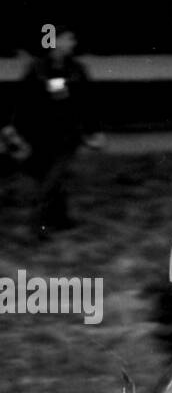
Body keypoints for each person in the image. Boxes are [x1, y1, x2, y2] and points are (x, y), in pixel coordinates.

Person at [2, 26, 104, 240]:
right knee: (48, 180)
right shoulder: (37, 69)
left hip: (67, 135)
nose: (72, 43)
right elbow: (22, 103)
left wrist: (93, 131)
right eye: (68, 39)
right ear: (54, 41)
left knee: (52, 179)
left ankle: (37, 226)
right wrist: (14, 131)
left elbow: (89, 103)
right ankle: (58, 219)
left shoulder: (77, 69)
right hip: (39, 135)